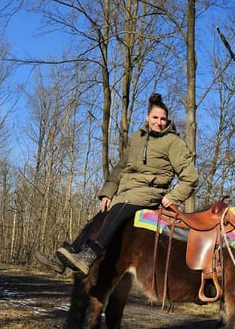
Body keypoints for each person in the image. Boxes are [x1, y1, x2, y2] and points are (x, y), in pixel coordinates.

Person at [36, 93, 199, 275]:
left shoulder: (173, 142)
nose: (159, 122)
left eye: (163, 119)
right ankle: (65, 257)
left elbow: (191, 177)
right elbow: (120, 167)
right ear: (147, 117)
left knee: (117, 210)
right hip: (126, 190)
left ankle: (91, 254)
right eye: (155, 117)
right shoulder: (136, 138)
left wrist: (173, 197)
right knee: (99, 217)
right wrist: (108, 192)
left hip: (149, 191)